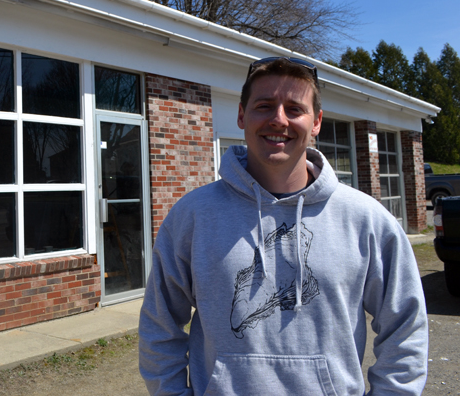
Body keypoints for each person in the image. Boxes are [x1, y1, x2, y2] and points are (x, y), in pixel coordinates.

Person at [139, 57, 428, 395]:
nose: (279, 119)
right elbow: (159, 327)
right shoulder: (194, 216)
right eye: (264, 106)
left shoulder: (366, 219)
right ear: (242, 115)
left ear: (317, 122)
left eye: (294, 108)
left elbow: (405, 328)